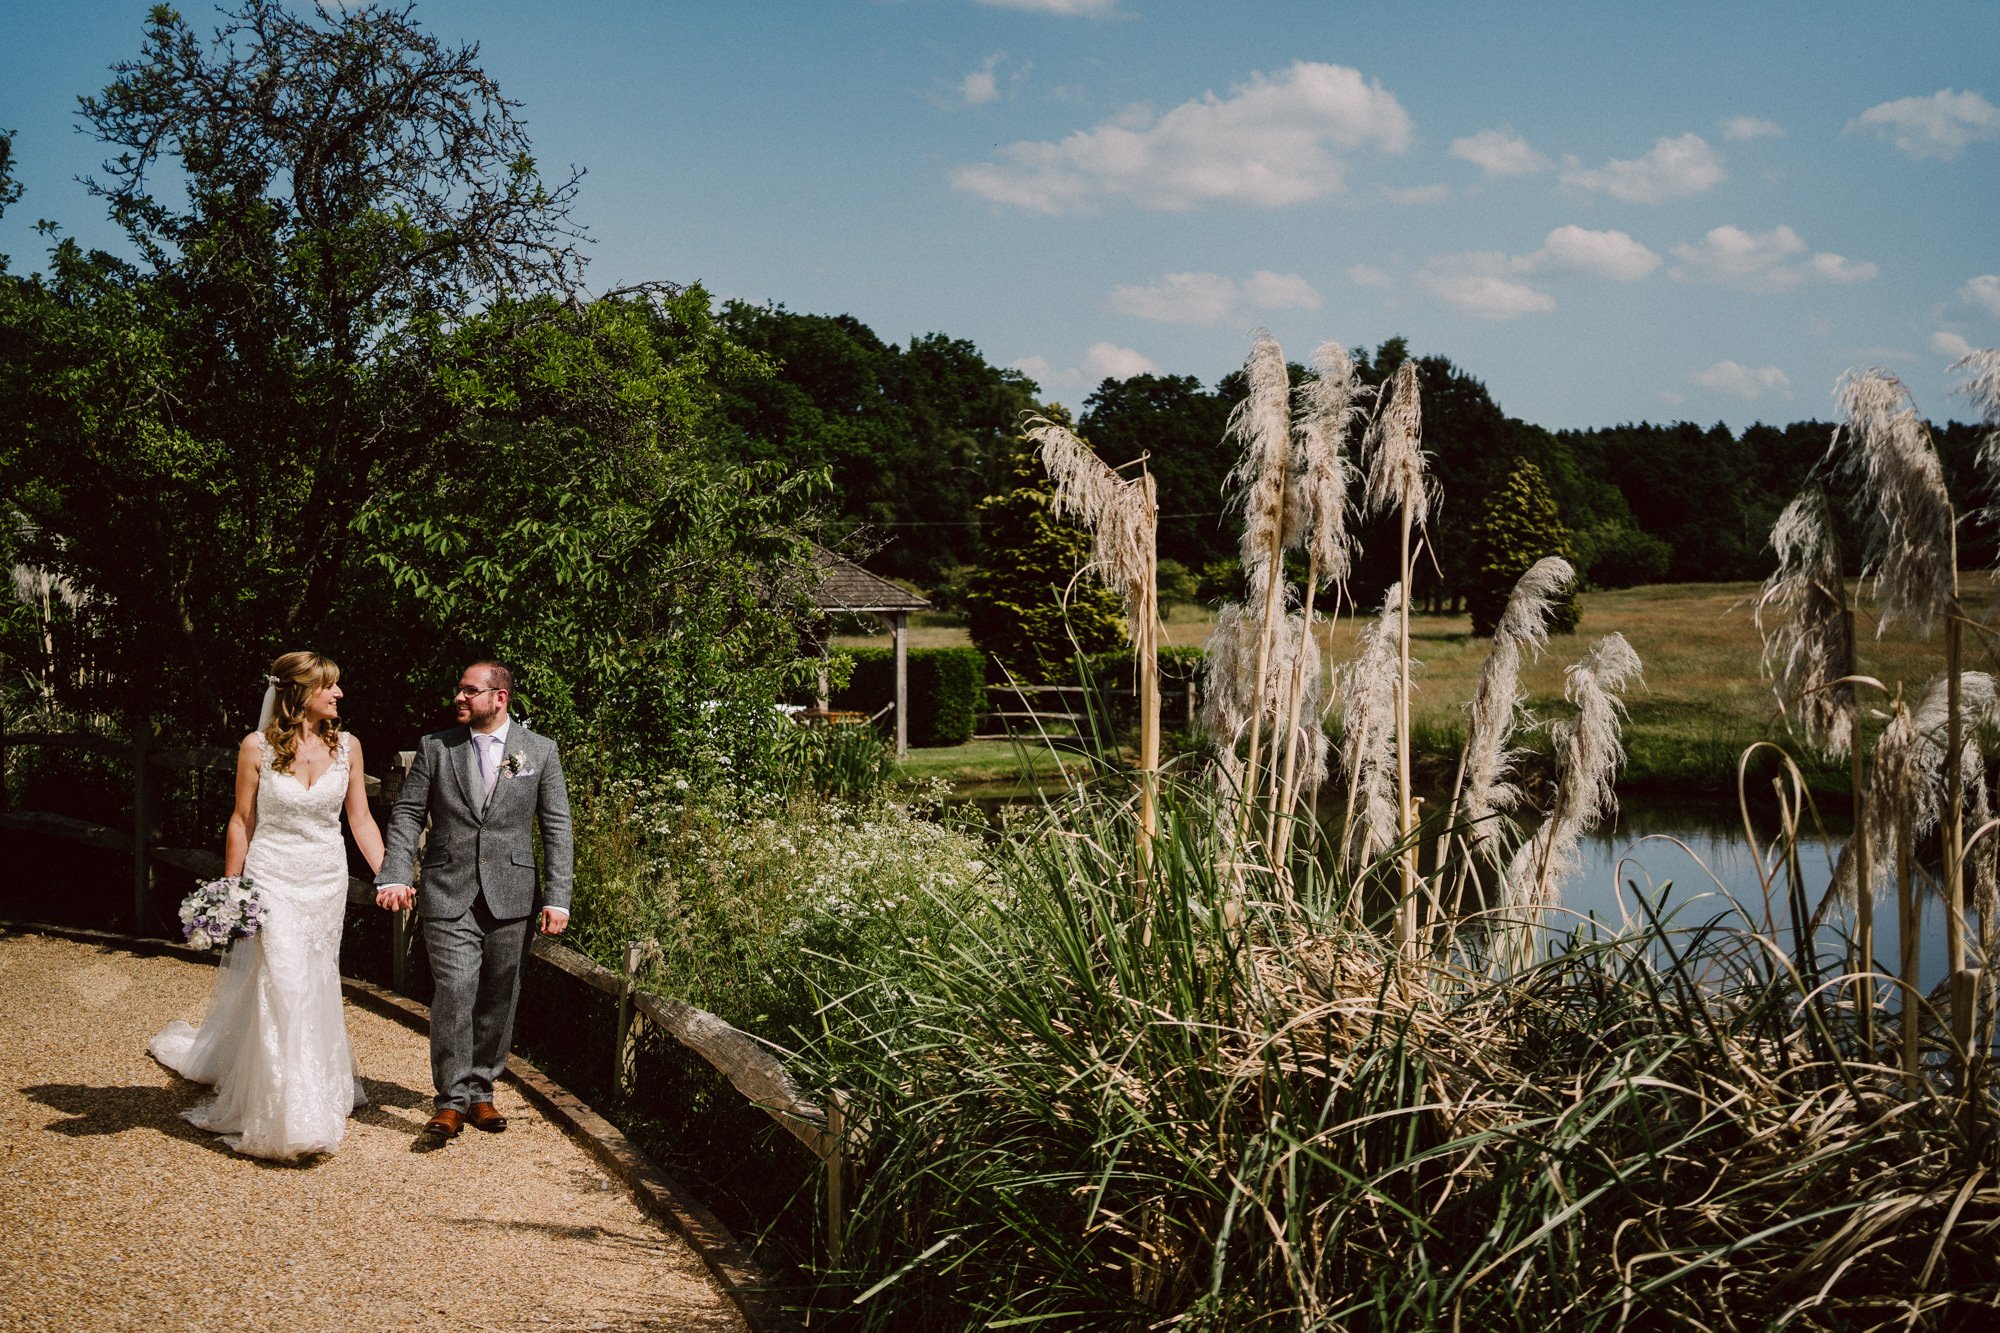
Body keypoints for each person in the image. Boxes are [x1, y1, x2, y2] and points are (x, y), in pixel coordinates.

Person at [150, 651, 386, 1160]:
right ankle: (291, 1117)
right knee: (285, 982)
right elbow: (242, 821)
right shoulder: (256, 747)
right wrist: (232, 891)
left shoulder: (349, 746)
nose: (339, 694)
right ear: (300, 692)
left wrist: (388, 874)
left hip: (325, 881)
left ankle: (314, 1091)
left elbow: (361, 820)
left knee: (316, 978)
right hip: (272, 877)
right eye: (330, 686)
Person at [374, 660, 572, 1141]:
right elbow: (406, 815)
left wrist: (558, 897)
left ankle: (481, 1090)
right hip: (447, 889)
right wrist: (396, 873)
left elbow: (556, 826)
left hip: (513, 893)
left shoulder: (539, 752)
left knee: (499, 995)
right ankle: (450, 1100)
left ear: (499, 697)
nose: (458, 698)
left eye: (469, 691)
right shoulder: (436, 748)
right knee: (456, 989)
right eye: (458, 691)